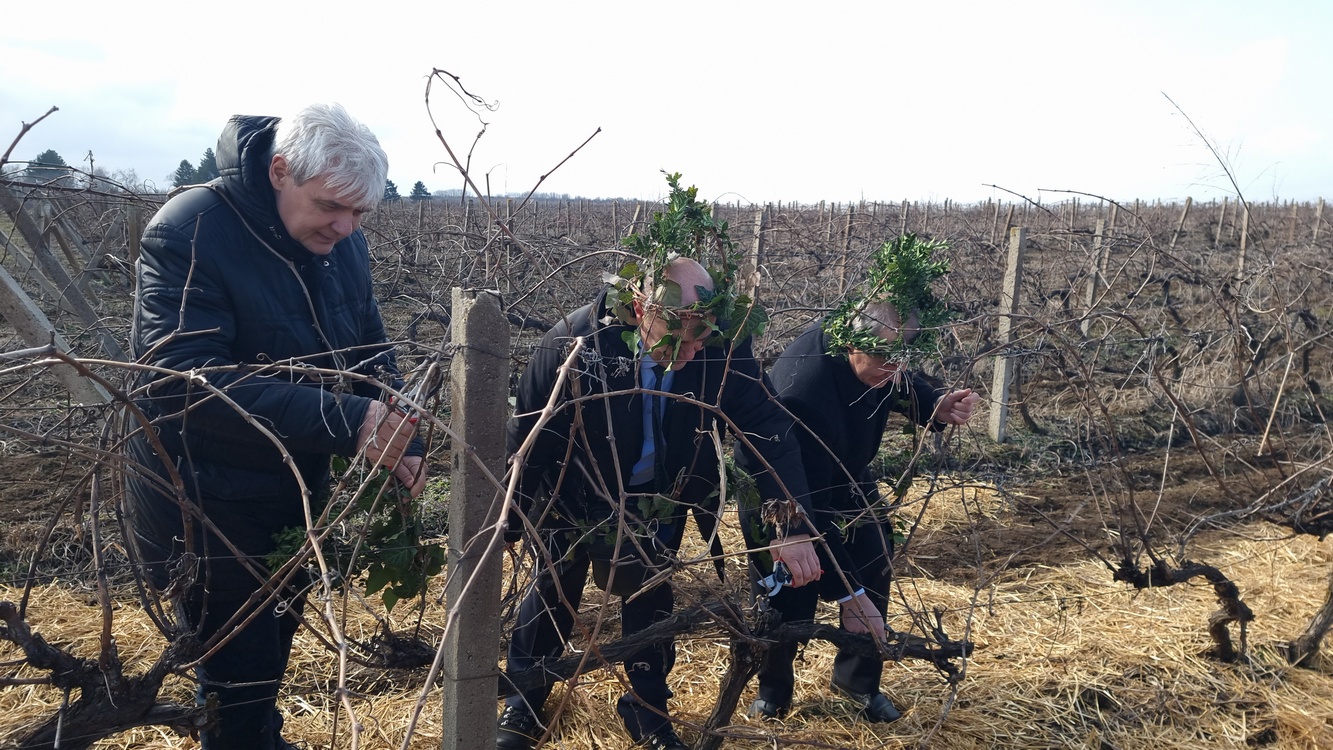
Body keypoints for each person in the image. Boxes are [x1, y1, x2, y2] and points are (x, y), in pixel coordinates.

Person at [124, 103, 426, 750]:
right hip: (206, 501)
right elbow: (179, 382)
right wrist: (350, 422)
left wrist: (400, 425)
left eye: (360, 213)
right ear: (280, 171)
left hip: (292, 485)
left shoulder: (338, 242)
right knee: (235, 671)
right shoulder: (189, 231)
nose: (345, 227)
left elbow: (368, 346)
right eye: (330, 207)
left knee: (270, 645)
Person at [497, 255, 822, 750]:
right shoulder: (575, 344)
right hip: (574, 493)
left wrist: (792, 524)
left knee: (650, 600)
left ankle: (647, 709)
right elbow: (531, 437)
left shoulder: (723, 347)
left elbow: (768, 429)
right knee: (551, 588)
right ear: (638, 307)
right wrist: (507, 522)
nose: (693, 351)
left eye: (701, 337)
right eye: (679, 337)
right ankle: (525, 699)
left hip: (661, 495)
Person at [738, 295, 979, 723]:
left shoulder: (882, 359)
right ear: (852, 344)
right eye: (887, 359)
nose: (896, 370)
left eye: (902, 357)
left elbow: (899, 378)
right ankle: (772, 691)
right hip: (782, 493)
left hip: (845, 472)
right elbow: (808, 499)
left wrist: (933, 403)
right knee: (790, 587)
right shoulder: (804, 391)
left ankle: (858, 684)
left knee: (874, 560)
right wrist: (848, 594)